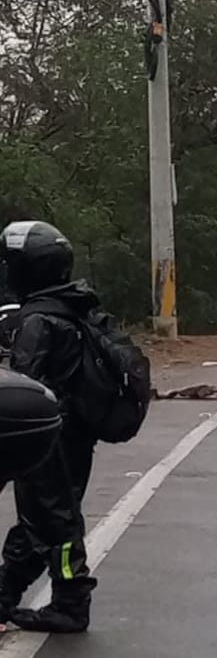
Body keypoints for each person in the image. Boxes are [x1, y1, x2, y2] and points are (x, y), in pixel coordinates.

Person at [0, 221, 101, 633]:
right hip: (74, 433)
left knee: (56, 524)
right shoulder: (74, 306)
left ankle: (71, 601)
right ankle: (4, 593)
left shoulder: (38, 321)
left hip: (44, 437)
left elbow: (24, 386)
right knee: (41, 520)